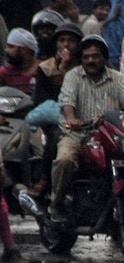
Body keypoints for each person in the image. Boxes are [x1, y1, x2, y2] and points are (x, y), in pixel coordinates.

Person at [50, 35, 124, 222]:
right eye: (86, 57)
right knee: (65, 160)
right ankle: (57, 204)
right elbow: (67, 101)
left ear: (103, 57)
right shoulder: (73, 76)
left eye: (95, 56)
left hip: (109, 135)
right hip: (77, 134)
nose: (91, 60)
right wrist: (72, 119)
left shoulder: (117, 79)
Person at [28, 22, 83, 199]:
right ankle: (46, 180)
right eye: (62, 40)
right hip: (57, 118)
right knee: (55, 139)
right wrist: (63, 70)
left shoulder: (88, 64)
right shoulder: (46, 68)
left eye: (71, 41)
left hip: (86, 117)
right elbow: (42, 100)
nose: (66, 45)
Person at [0, 28, 39, 95]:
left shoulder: (43, 70)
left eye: (11, 47)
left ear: (24, 50)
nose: (6, 50)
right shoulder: (5, 72)